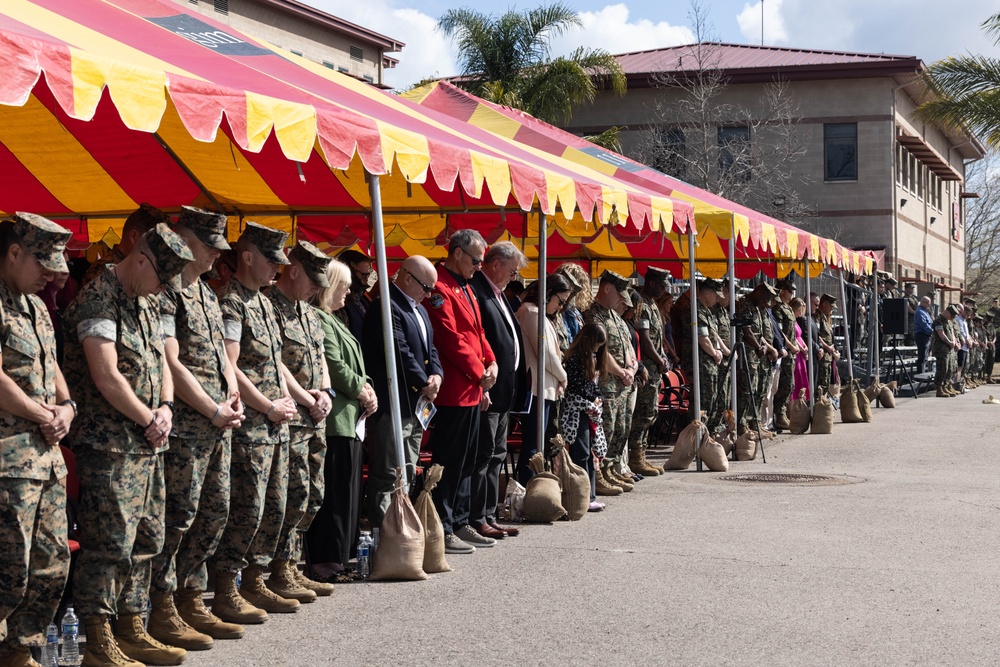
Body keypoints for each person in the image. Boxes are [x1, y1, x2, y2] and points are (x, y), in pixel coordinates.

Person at [64, 223, 193, 667]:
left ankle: (132, 626)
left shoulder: (148, 299)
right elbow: (106, 376)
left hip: (147, 443)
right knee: (109, 544)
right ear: (140, 259)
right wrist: (149, 418)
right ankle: (98, 640)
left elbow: (162, 360)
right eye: (160, 277)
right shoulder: (99, 298)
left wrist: (166, 407)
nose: (163, 288)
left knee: (147, 538)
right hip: (110, 445)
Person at [149, 207, 246, 651]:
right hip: (189, 427)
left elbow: (222, 357)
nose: (215, 256)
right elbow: (173, 361)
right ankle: (163, 603)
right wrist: (211, 408)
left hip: (216, 425)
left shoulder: (207, 294)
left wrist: (232, 392)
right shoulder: (167, 292)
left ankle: (190, 593)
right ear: (184, 240)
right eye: (209, 246)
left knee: (215, 512)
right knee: (178, 518)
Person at [210, 223, 300, 624]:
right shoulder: (231, 304)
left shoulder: (262, 303)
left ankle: (255, 577)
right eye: (271, 260)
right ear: (247, 257)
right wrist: (267, 406)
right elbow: (232, 365)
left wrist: (291, 397)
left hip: (275, 422)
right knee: (247, 507)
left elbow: (274, 362)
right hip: (253, 424)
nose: (276, 269)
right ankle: (227, 587)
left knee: (273, 506)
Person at [0, 214, 74, 667]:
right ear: (13, 252)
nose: (51, 275)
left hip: (45, 459)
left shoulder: (34, 305)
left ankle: (19, 651)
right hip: (10, 459)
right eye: (42, 264)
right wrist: (39, 412)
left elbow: (53, 370)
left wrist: (66, 408)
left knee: (51, 565)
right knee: (9, 570)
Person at [264, 242, 335, 599]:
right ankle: (277, 569)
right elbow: (275, 364)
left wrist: (324, 391)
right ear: (293, 270)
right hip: (290, 418)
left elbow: (319, 355)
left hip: (314, 417)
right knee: (287, 496)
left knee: (311, 493)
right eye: (313, 279)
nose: (318, 288)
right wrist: (308, 398)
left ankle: (291, 565)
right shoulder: (270, 307)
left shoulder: (308, 312)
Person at [425, 229, 497, 555]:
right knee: (449, 461)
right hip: (454, 390)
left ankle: (460, 519)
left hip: (471, 387)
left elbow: (478, 333)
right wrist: (482, 373)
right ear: (457, 254)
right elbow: (450, 340)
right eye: (475, 260)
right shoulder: (439, 288)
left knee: (467, 460)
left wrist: (492, 362)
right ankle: (442, 523)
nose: (480, 266)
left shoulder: (465, 286)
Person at [307, 259, 376, 582]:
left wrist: (367, 387)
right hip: (336, 417)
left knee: (347, 491)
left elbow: (355, 364)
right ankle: (326, 558)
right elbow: (334, 365)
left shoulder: (336, 318)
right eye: (345, 286)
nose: (349, 292)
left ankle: (341, 554)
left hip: (351, 418)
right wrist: (361, 390)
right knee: (333, 492)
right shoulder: (320, 318)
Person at [362, 255, 442, 529]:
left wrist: (436, 377)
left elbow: (431, 348)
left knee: (407, 471)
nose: (429, 294)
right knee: (388, 474)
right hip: (392, 403)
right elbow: (398, 351)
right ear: (407, 277)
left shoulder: (418, 309)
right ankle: (384, 535)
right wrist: (424, 382)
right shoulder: (386, 306)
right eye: (426, 287)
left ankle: (400, 529)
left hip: (415, 404)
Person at [468, 241, 528, 539]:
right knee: (484, 454)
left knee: (496, 454)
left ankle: (489, 514)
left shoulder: (497, 294)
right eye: (512, 270)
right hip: (487, 389)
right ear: (494, 264)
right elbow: (478, 341)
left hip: (503, 390)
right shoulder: (479, 292)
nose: (514, 276)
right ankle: (478, 516)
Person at [584, 271, 638, 492]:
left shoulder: (615, 316)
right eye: (619, 294)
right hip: (607, 382)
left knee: (620, 428)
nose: (621, 300)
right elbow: (600, 352)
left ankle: (610, 469)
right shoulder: (592, 314)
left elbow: (628, 347)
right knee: (605, 428)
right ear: (607, 289)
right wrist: (621, 372)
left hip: (622, 384)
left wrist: (632, 368)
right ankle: (599, 474)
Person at [515, 274, 571, 485]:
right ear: (548, 294)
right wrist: (563, 377)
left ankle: (534, 485)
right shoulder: (531, 313)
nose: (561, 307)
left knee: (536, 443)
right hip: (537, 389)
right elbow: (546, 354)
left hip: (544, 387)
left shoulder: (537, 313)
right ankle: (530, 487)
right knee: (533, 443)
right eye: (560, 301)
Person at [560, 322, 610, 510]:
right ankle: (581, 496)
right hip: (577, 410)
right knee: (580, 453)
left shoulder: (592, 357)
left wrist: (598, 397)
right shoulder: (575, 359)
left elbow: (591, 385)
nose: (597, 349)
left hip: (589, 410)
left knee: (589, 453)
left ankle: (590, 495)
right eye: (596, 345)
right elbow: (576, 386)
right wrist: (592, 398)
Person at [627, 267, 670, 477]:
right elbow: (644, 339)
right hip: (648, 367)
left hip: (656, 367)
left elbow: (657, 338)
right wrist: (658, 358)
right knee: (643, 414)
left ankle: (641, 455)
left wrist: (663, 357)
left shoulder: (652, 304)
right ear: (651, 283)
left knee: (651, 412)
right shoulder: (642, 305)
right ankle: (636, 457)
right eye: (662, 286)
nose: (664, 291)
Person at [81, 203, 169, 287]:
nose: (158, 249)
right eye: (154, 241)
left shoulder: (134, 267)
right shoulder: (103, 271)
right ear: (133, 237)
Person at [734, 283, 778, 433]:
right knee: (747, 391)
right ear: (758, 293)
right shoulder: (744, 304)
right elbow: (747, 331)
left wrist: (765, 347)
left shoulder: (759, 308)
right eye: (764, 299)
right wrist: (759, 347)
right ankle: (741, 424)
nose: (765, 304)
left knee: (758, 391)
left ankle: (754, 421)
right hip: (747, 355)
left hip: (758, 355)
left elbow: (760, 334)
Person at [771, 279, 798, 430]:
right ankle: (779, 414)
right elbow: (780, 332)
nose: (792, 293)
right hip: (785, 352)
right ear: (782, 291)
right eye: (789, 290)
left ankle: (782, 413)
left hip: (791, 352)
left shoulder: (787, 307)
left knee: (789, 384)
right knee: (785, 384)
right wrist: (790, 346)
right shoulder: (778, 309)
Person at [336, 249, 374, 340]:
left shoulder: (363, 298)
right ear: (350, 272)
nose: (366, 280)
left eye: (368, 275)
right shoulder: (339, 303)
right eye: (363, 275)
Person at [814, 294, 840, 397]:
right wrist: (827, 347)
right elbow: (817, 335)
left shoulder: (825, 318)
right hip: (823, 355)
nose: (832, 309)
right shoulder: (817, 316)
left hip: (828, 356)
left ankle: (822, 406)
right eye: (831, 306)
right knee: (822, 384)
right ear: (824, 304)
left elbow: (830, 337)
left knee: (825, 383)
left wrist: (834, 351)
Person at [932, 305, 959, 397]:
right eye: (952, 315)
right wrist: (950, 342)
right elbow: (941, 334)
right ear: (947, 312)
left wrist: (954, 342)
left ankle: (945, 386)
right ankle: (939, 388)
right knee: (942, 368)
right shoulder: (938, 321)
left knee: (950, 369)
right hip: (940, 349)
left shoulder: (949, 322)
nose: (952, 318)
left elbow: (952, 333)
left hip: (949, 349)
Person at [791, 298, 811, 401]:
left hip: (801, 352)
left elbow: (799, 336)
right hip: (798, 352)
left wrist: (805, 346)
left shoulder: (795, 320)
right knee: (797, 376)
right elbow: (793, 337)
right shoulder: (791, 320)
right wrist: (802, 349)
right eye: (799, 310)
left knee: (802, 376)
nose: (800, 313)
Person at [914, 296, 934, 374]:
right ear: (922, 302)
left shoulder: (925, 311)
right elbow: (924, 325)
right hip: (922, 335)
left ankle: (922, 374)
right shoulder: (920, 312)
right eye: (927, 303)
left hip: (926, 336)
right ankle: (920, 375)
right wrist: (933, 331)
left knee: (925, 357)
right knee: (922, 357)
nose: (928, 305)